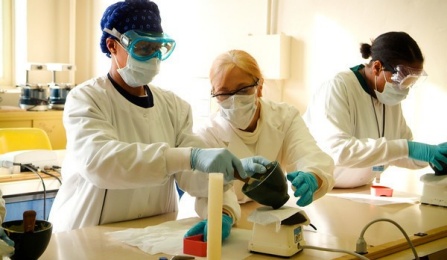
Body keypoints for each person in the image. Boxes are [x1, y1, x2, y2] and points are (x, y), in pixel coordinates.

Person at [48, 0, 268, 233]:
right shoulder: (86, 98)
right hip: (88, 234)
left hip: (152, 233)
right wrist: (189, 157)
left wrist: (227, 183)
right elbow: (101, 164)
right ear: (112, 46)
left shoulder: (174, 107)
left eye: (157, 48)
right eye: (143, 48)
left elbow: (195, 178)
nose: (153, 58)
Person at [183, 50, 334, 241]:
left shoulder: (284, 117)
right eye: (224, 93)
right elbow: (208, 187)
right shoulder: (207, 132)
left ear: (260, 86)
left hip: (266, 216)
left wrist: (313, 175)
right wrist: (224, 213)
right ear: (214, 93)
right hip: (225, 218)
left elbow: (307, 152)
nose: (234, 100)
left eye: (243, 90)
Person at [303, 31, 447, 188]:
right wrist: (408, 148)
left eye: (409, 83)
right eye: (401, 81)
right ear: (377, 67)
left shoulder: (388, 97)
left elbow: (399, 152)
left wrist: (433, 154)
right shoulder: (338, 87)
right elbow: (340, 151)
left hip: (360, 191)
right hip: (321, 191)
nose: (404, 89)